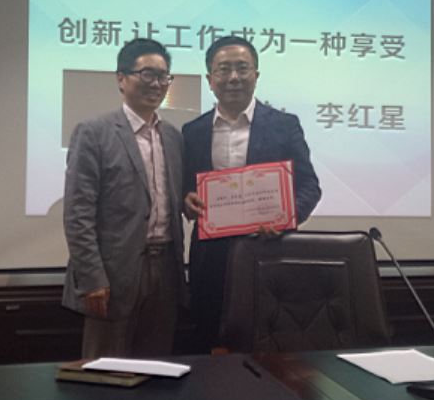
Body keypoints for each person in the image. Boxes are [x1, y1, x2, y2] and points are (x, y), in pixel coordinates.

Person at [182, 35, 321, 352]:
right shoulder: (193, 131)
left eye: (242, 68)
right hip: (210, 260)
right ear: (210, 79)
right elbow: (185, 188)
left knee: (268, 351)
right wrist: (185, 200)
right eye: (224, 69)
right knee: (208, 347)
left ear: (256, 75)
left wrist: (286, 218)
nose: (234, 77)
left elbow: (309, 186)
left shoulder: (284, 125)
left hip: (268, 253)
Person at [62, 38, 187, 358]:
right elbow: (78, 213)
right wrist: (92, 278)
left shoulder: (173, 136)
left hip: (166, 271)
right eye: (147, 74)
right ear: (121, 78)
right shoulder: (93, 132)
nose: (156, 84)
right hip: (113, 274)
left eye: (163, 76)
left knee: (157, 367)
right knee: (107, 370)